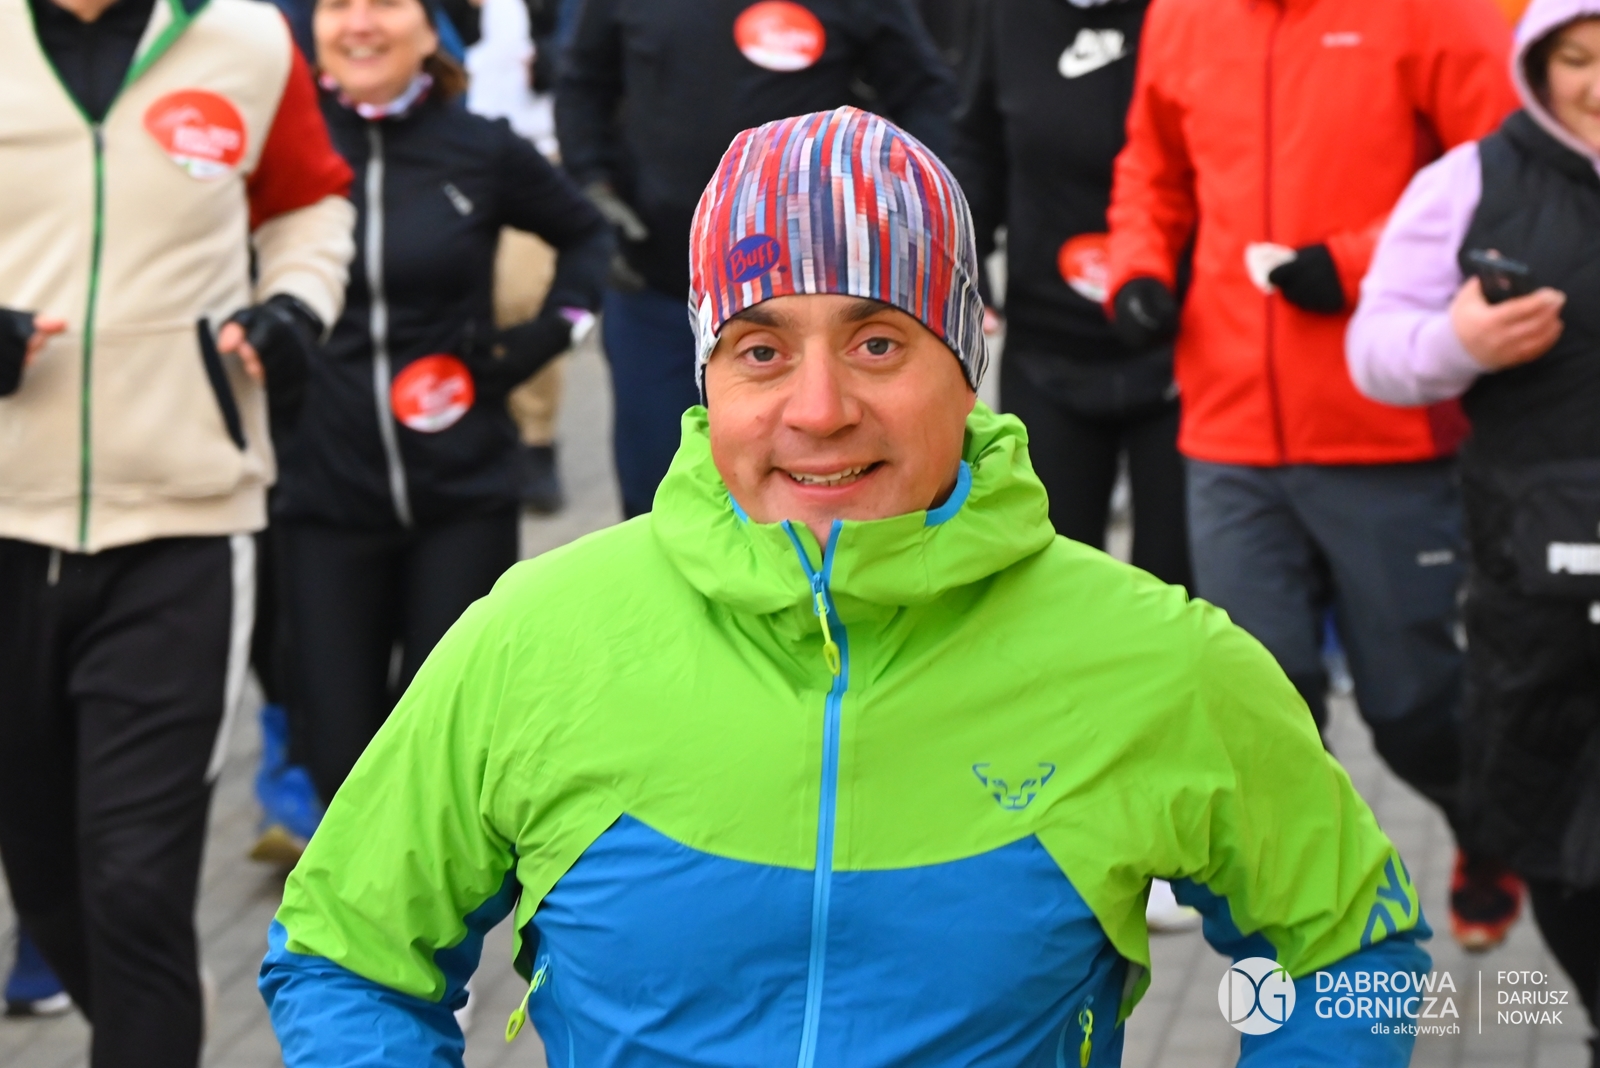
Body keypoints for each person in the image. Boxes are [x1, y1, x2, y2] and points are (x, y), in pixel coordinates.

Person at [262, 106, 1430, 1068]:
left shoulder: (1156, 659)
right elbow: (344, 956)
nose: (818, 411)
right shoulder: (535, 638)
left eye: (877, 343)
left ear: (966, 361)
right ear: (708, 376)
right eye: (760, 351)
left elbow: (1351, 953)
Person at [1104, 0, 1523, 950]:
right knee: (1267, 705)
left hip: (1384, 425)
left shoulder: (1432, 12)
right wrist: (1138, 268)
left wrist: (1356, 263)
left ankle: (1491, 828)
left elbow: (1506, 173)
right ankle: (1329, 930)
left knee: (1412, 708)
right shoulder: (1183, 15)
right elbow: (1151, 169)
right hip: (1226, 427)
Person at [0, 0, 355, 1060]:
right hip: (7, 521)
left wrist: (295, 306)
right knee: (47, 882)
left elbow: (310, 206)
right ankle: (154, 1009)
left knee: (136, 882)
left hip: (187, 520)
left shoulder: (244, 38)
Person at [267, 0, 610, 817]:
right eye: (337, 5)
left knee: (447, 758)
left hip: (462, 496)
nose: (360, 24)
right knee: (339, 763)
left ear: (432, 30)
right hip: (322, 499)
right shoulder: (284, 148)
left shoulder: (479, 147)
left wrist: (540, 340)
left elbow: (589, 236)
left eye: (386, 4)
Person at [1348, 0, 1600, 1052]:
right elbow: (1375, 349)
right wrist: (1460, 342)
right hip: (1536, 579)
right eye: (1578, 58)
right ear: (1536, 63)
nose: (1597, 84)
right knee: (1554, 833)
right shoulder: (1468, 182)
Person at [555, 0, 956, 518]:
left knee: (826, 490)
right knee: (656, 485)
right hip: (657, 284)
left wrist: (913, 214)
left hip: (810, 301)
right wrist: (594, 188)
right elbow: (583, 84)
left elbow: (924, 94)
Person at [953, 0, 1190, 592]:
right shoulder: (1005, 16)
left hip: (1181, 347)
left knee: (1176, 581)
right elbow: (976, 147)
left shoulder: (1194, 16)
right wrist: (967, 261)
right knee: (1049, 576)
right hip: (1049, 343)